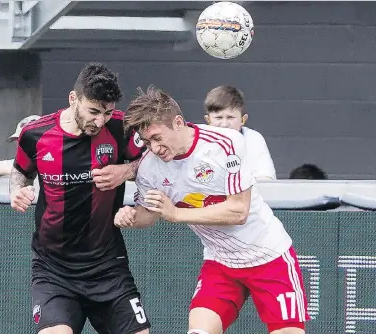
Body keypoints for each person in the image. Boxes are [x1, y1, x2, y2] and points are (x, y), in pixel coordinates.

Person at [117, 86, 309, 334]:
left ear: (178, 123)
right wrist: (132, 217)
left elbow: (238, 211)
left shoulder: (227, 143)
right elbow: (150, 214)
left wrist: (176, 214)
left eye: (157, 138)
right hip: (220, 263)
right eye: (146, 142)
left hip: (268, 257)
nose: (153, 148)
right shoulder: (149, 168)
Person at [9, 63, 150, 334]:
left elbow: (152, 160)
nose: (100, 121)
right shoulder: (35, 135)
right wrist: (17, 192)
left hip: (107, 265)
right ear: (73, 99)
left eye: (107, 113)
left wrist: (127, 170)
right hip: (54, 269)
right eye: (94, 111)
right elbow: (19, 173)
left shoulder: (121, 128)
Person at [204, 85, 276, 181]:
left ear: (243, 119)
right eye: (218, 118)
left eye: (231, 117)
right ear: (208, 120)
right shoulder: (198, 141)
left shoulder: (253, 139)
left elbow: (265, 179)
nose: (224, 124)